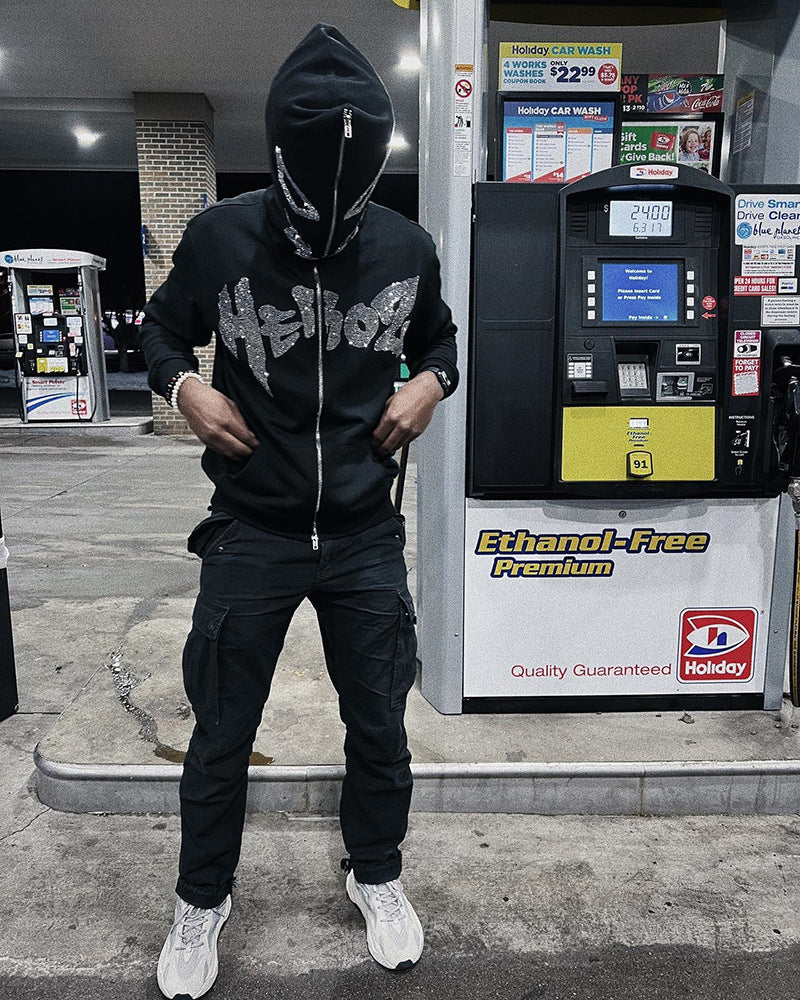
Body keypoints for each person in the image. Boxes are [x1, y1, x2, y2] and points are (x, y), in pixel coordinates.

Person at [138, 23, 458, 1000]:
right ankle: (202, 902)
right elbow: (159, 327)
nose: (332, 216)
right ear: (279, 160)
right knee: (220, 729)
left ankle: (375, 873)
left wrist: (431, 384)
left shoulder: (404, 246)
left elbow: (442, 338)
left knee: (379, 727)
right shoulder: (220, 237)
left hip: (362, 534)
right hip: (252, 531)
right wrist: (185, 389)